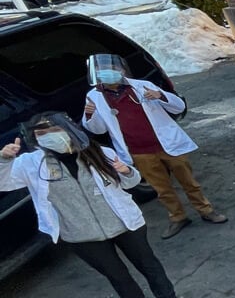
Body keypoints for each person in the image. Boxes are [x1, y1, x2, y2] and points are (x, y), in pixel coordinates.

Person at [0, 113, 179, 298]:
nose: (49, 137)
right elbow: (4, 183)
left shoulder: (98, 152)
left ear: (68, 129)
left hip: (122, 223)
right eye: (42, 134)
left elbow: (130, 181)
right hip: (81, 234)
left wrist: (126, 171)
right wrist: (4, 159)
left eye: (54, 130)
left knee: (147, 263)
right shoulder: (31, 164)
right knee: (116, 275)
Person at [82, 54, 227, 239]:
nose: (109, 74)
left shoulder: (143, 86)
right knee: (161, 189)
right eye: (103, 71)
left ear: (122, 70)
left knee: (189, 181)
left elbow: (178, 107)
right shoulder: (93, 96)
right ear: (97, 74)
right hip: (138, 151)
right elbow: (98, 128)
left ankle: (206, 210)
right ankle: (178, 217)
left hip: (167, 145)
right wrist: (90, 115)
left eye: (113, 69)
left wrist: (161, 96)